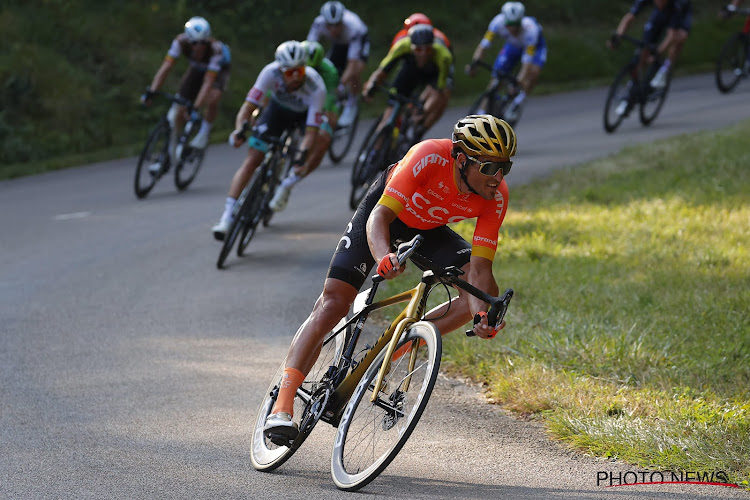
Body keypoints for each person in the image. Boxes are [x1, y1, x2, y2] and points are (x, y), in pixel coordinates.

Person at [262, 114, 516, 443]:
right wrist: (384, 256)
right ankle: (282, 406)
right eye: (488, 167)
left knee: (478, 294)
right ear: (462, 159)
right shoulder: (428, 155)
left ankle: (392, 350)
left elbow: (481, 270)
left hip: (429, 229)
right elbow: (379, 217)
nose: (497, 177)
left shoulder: (496, 196)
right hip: (386, 216)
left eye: (504, 167)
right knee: (333, 303)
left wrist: (484, 315)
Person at [210, 41, 326, 238]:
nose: (296, 78)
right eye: (290, 73)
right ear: (280, 71)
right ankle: (227, 216)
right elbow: (247, 109)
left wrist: (301, 156)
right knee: (252, 159)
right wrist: (240, 129)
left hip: (302, 117)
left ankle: (283, 182)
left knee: (308, 148)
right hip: (277, 111)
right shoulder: (269, 73)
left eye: (300, 71)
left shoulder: (316, 87)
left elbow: (310, 132)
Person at [141, 17, 231, 171]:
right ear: (188, 40)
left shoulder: (215, 50)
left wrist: (195, 108)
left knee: (212, 97)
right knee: (178, 108)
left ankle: (204, 132)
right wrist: (152, 91)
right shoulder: (180, 42)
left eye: (203, 42)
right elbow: (166, 68)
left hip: (218, 70)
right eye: (194, 43)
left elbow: (209, 82)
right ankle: (167, 156)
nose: (199, 47)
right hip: (196, 69)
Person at [268, 40, 341, 212]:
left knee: (324, 136)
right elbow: (272, 90)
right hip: (292, 101)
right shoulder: (288, 67)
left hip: (317, 104)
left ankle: (291, 181)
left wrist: (327, 121)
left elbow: (329, 103)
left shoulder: (329, 72)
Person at [362, 24, 454, 139]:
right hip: (411, 70)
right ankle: (375, 149)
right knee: (390, 112)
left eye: (427, 49)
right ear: (411, 46)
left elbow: (438, 89)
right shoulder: (402, 46)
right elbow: (383, 69)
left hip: (432, 74)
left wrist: (424, 111)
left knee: (436, 97)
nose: (423, 54)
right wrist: (372, 85)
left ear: (433, 46)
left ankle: (415, 127)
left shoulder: (444, 56)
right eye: (418, 49)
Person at [465, 2, 546, 124]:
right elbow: (483, 47)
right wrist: (474, 64)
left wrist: (518, 83)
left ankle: (519, 102)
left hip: (535, 47)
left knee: (532, 74)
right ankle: (481, 113)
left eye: (516, 25)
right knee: (495, 80)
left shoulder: (531, 30)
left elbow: (527, 64)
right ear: (504, 20)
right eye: (509, 24)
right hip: (513, 46)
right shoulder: (497, 23)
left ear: (521, 21)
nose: (513, 28)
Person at [307, 1, 370, 126]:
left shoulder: (353, 27)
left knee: (355, 71)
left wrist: (339, 85)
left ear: (342, 20)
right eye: (330, 25)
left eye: (337, 25)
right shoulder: (318, 23)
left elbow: (352, 65)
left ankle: (352, 103)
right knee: (329, 68)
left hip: (359, 41)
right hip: (340, 43)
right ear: (325, 22)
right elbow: (309, 50)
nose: (334, 29)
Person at [607, 0, 692, 90]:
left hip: (680, 13)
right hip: (660, 13)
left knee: (680, 37)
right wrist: (617, 37)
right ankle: (635, 81)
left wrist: (657, 54)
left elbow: (671, 35)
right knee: (645, 46)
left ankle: (665, 70)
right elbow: (630, 17)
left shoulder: (678, 4)